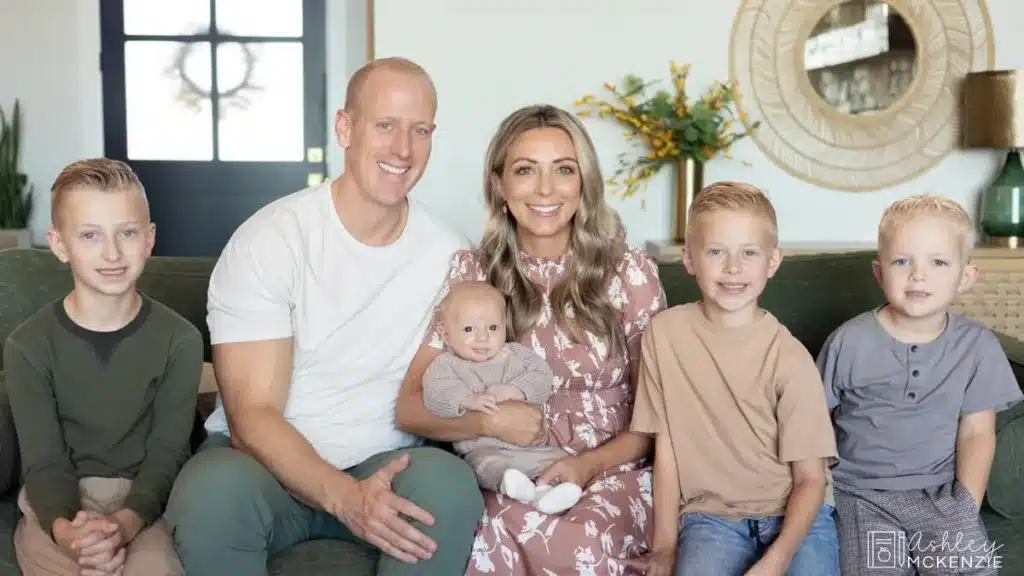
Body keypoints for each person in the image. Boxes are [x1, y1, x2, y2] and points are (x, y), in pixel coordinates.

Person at [163, 57, 486, 575]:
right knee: (211, 493)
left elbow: (463, 379)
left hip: (389, 465)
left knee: (448, 487)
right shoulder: (270, 240)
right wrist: (345, 497)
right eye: (385, 125)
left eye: (419, 130)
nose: (403, 149)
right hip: (261, 470)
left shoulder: (452, 257)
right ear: (345, 128)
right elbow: (252, 418)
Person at [395, 104, 666, 575]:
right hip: (506, 469)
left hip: (610, 473)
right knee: (488, 533)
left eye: (564, 169)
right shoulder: (472, 273)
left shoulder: (630, 273)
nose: (546, 189)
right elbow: (410, 406)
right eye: (525, 170)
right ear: (499, 185)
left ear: (584, 184)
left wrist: (587, 467)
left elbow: (655, 420)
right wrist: (491, 426)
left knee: (574, 541)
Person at [5, 158, 203, 576]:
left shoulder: (180, 340)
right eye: (90, 235)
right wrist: (66, 532)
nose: (112, 253)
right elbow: (44, 462)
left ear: (149, 239)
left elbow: (168, 453)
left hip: (145, 502)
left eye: (127, 233)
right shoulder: (28, 345)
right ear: (59, 245)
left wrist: (124, 524)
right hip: (57, 505)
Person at [630, 182, 840, 576]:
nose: (733, 268)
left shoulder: (790, 359)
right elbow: (668, 446)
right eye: (715, 252)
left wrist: (776, 561)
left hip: (795, 516)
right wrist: (664, 546)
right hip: (710, 519)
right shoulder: (664, 335)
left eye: (749, 253)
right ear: (689, 259)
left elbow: (811, 479)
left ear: (772, 262)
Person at [816, 195, 1023, 575]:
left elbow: (978, 432)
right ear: (879, 272)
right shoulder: (849, 341)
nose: (918, 275)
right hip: (863, 495)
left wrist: (966, 504)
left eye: (938, 262)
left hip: (941, 495)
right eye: (902, 261)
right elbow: (813, 422)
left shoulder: (977, 346)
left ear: (965, 277)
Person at [422, 281, 583, 514]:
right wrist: (467, 400)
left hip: (530, 448)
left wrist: (514, 390)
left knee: (557, 459)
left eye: (493, 328)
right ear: (445, 334)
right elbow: (435, 395)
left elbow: (542, 377)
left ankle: (550, 492)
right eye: (469, 330)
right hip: (484, 450)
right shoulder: (446, 366)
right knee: (483, 467)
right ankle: (515, 486)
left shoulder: (516, 355)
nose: (482, 338)